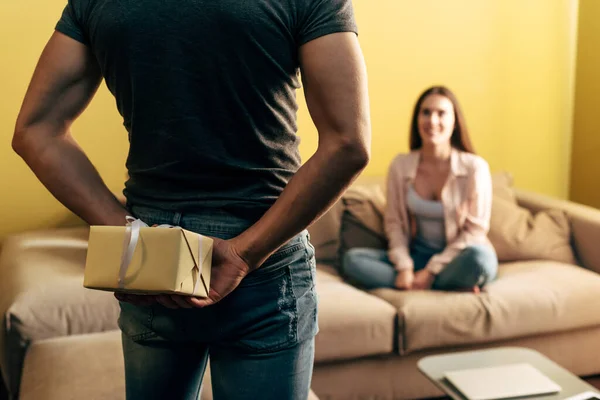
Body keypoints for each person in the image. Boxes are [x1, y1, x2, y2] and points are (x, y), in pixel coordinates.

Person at [11, 0, 371, 398]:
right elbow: (349, 144)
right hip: (263, 255)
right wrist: (244, 254)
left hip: (154, 257)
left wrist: (133, 239)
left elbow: (36, 130)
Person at [342, 86, 497, 293]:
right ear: (417, 120)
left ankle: (427, 281)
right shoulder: (400, 166)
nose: (432, 120)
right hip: (417, 257)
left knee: (480, 260)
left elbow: (475, 231)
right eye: (426, 112)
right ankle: (448, 284)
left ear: (454, 121)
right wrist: (405, 266)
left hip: (460, 256)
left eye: (441, 113)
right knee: (353, 260)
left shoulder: (475, 168)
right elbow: (394, 223)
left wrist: (432, 270)